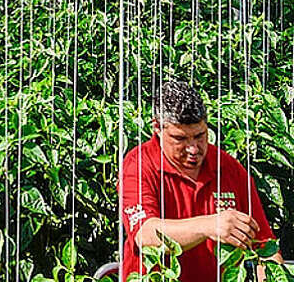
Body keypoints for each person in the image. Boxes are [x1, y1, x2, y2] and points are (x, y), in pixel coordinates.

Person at [119, 80, 284, 281]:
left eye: (200, 135)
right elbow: (146, 235)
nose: (193, 149)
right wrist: (209, 225)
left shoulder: (228, 168)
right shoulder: (139, 165)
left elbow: (264, 244)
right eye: (180, 139)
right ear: (157, 128)